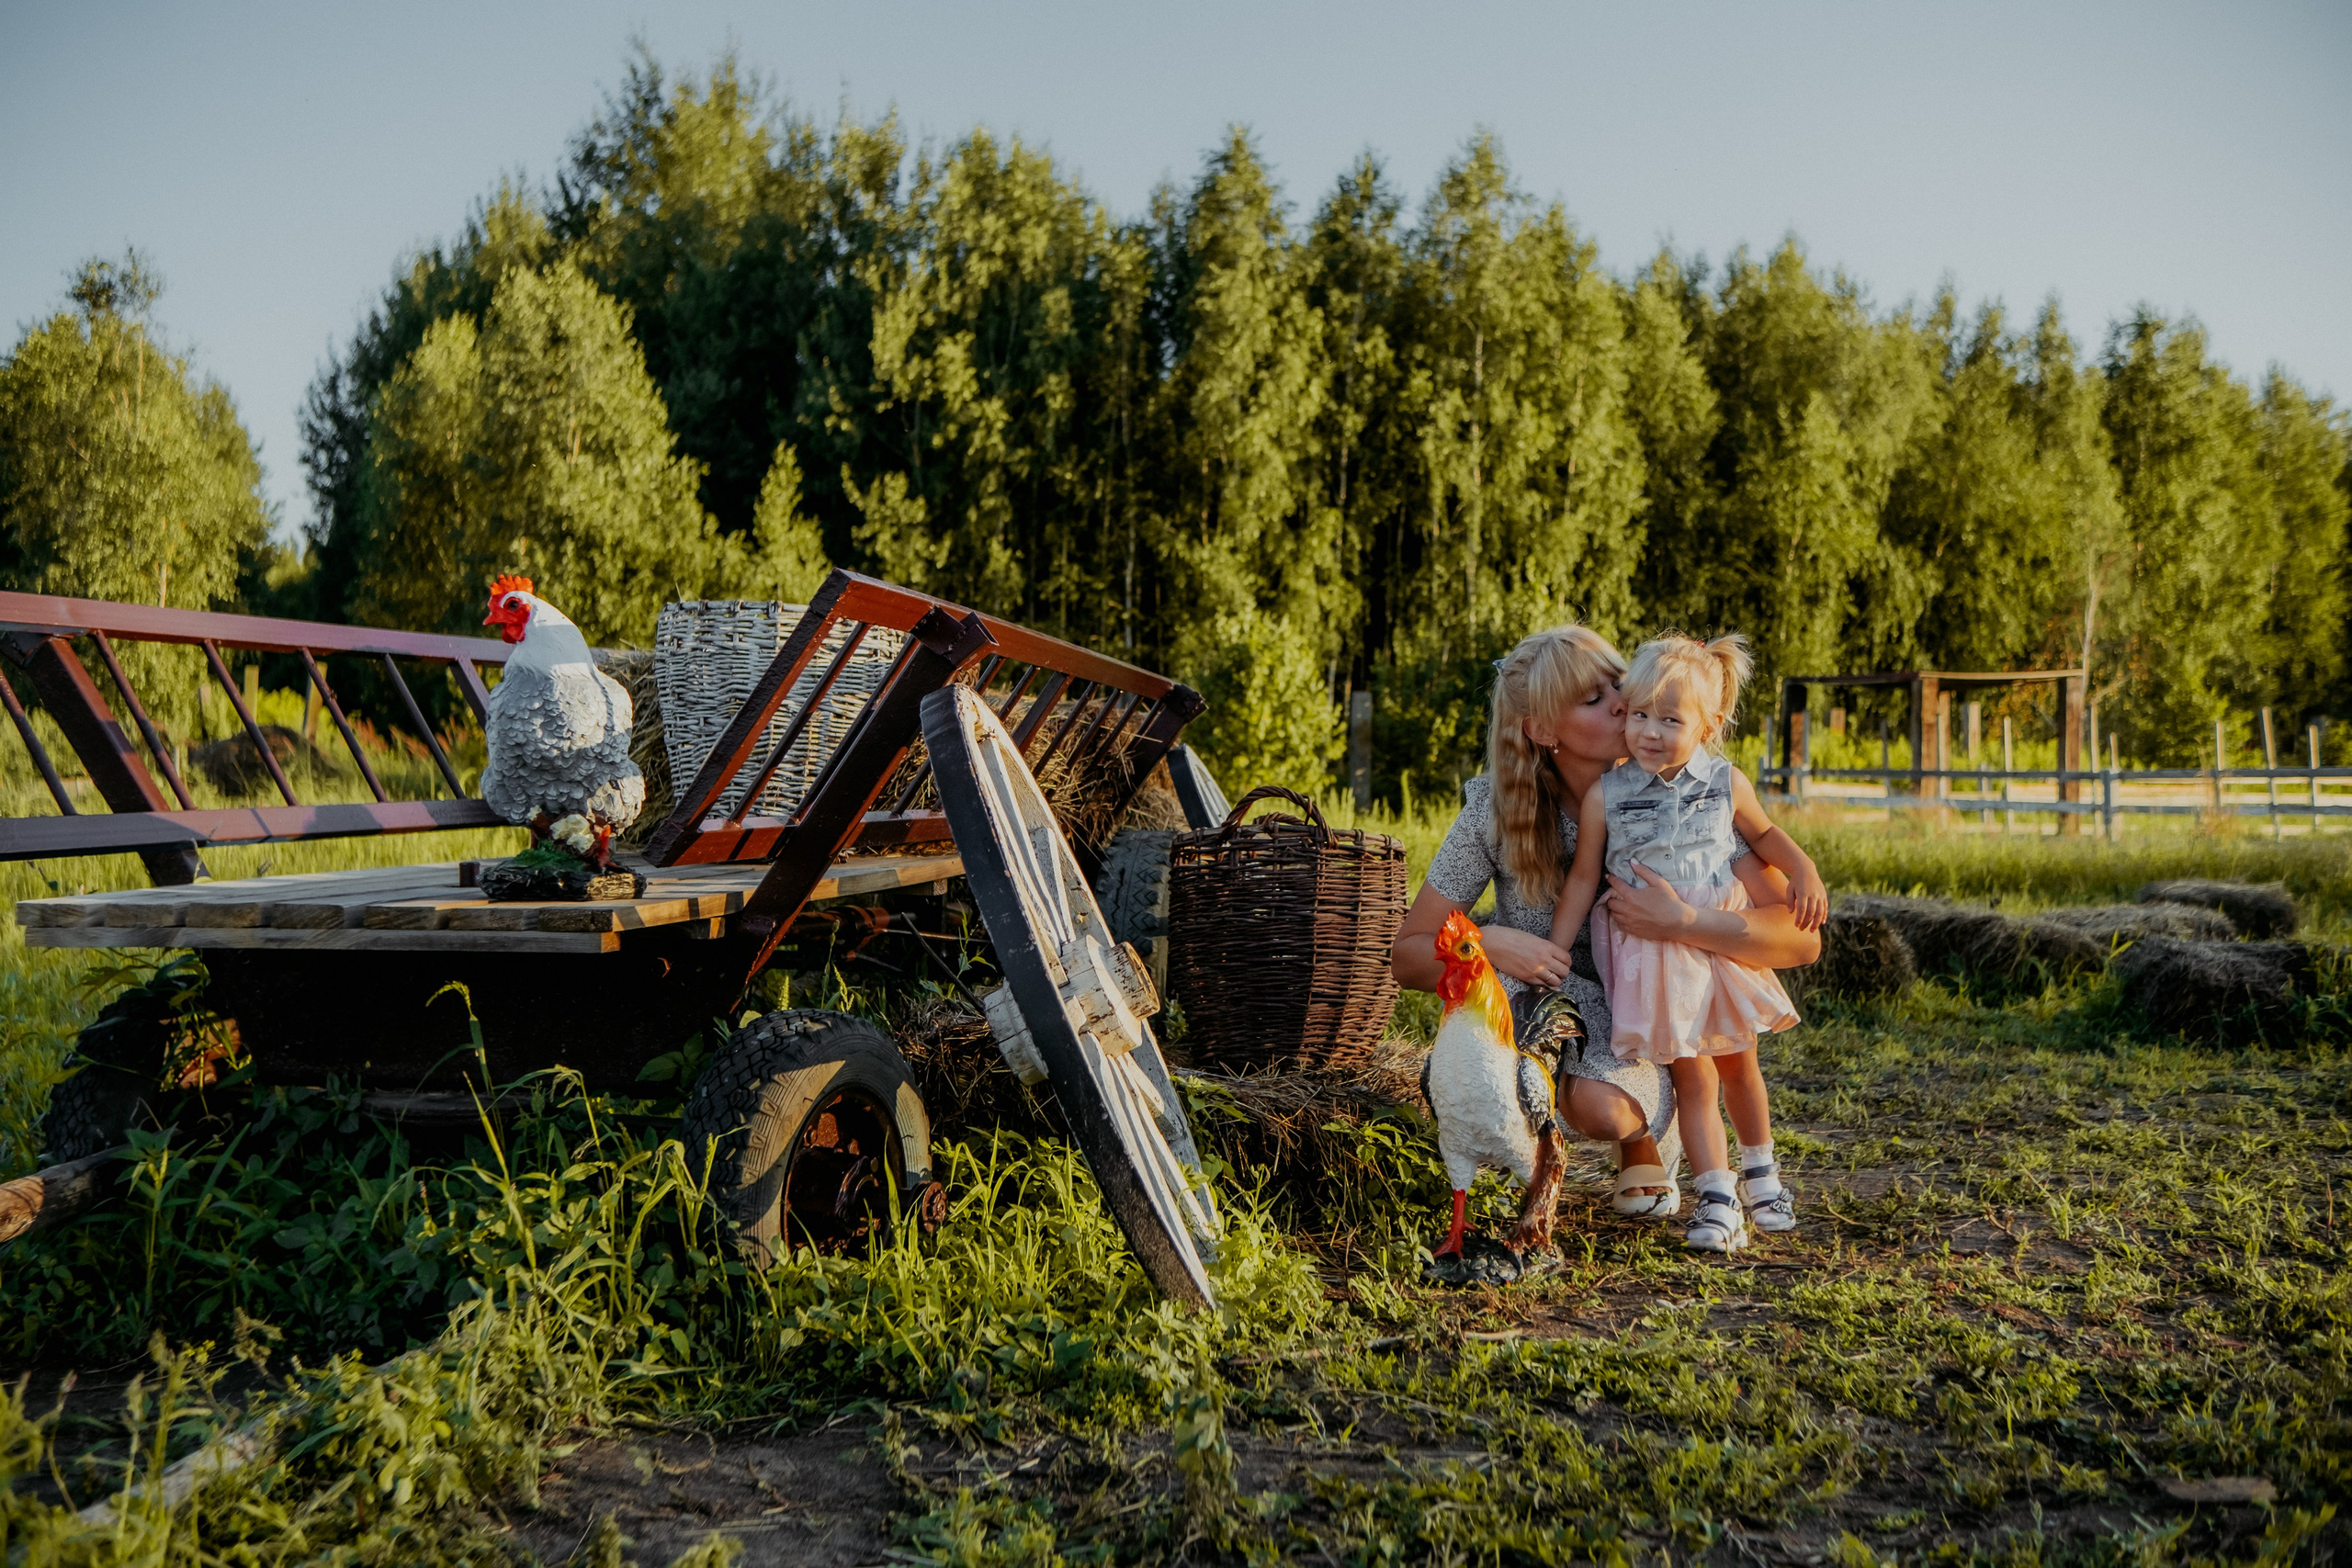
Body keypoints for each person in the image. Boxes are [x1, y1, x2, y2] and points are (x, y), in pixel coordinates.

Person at [1389, 624, 1820, 1235]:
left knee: (1600, 1105)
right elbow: (1406, 955)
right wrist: (1487, 944)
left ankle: (1648, 1136)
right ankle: (1525, 1158)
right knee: (1485, 1067)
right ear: (1541, 730)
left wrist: (1686, 921)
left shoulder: (1687, 796)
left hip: (1643, 1012)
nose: (1623, 704)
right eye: (1593, 699)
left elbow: (1801, 938)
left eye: (1619, 684)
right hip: (1540, 996)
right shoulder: (1495, 810)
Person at [1548, 632, 1826, 1254]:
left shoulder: (1726, 784)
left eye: (1669, 719)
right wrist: (1557, 951)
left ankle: (1762, 1172)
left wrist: (1804, 867)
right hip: (1655, 958)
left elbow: (1767, 834)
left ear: (1709, 723)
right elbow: (1583, 879)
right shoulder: (1608, 795)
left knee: (1740, 1064)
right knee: (1695, 1077)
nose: (1648, 730)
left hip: (1714, 944)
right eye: (1640, 713)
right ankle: (1717, 1195)